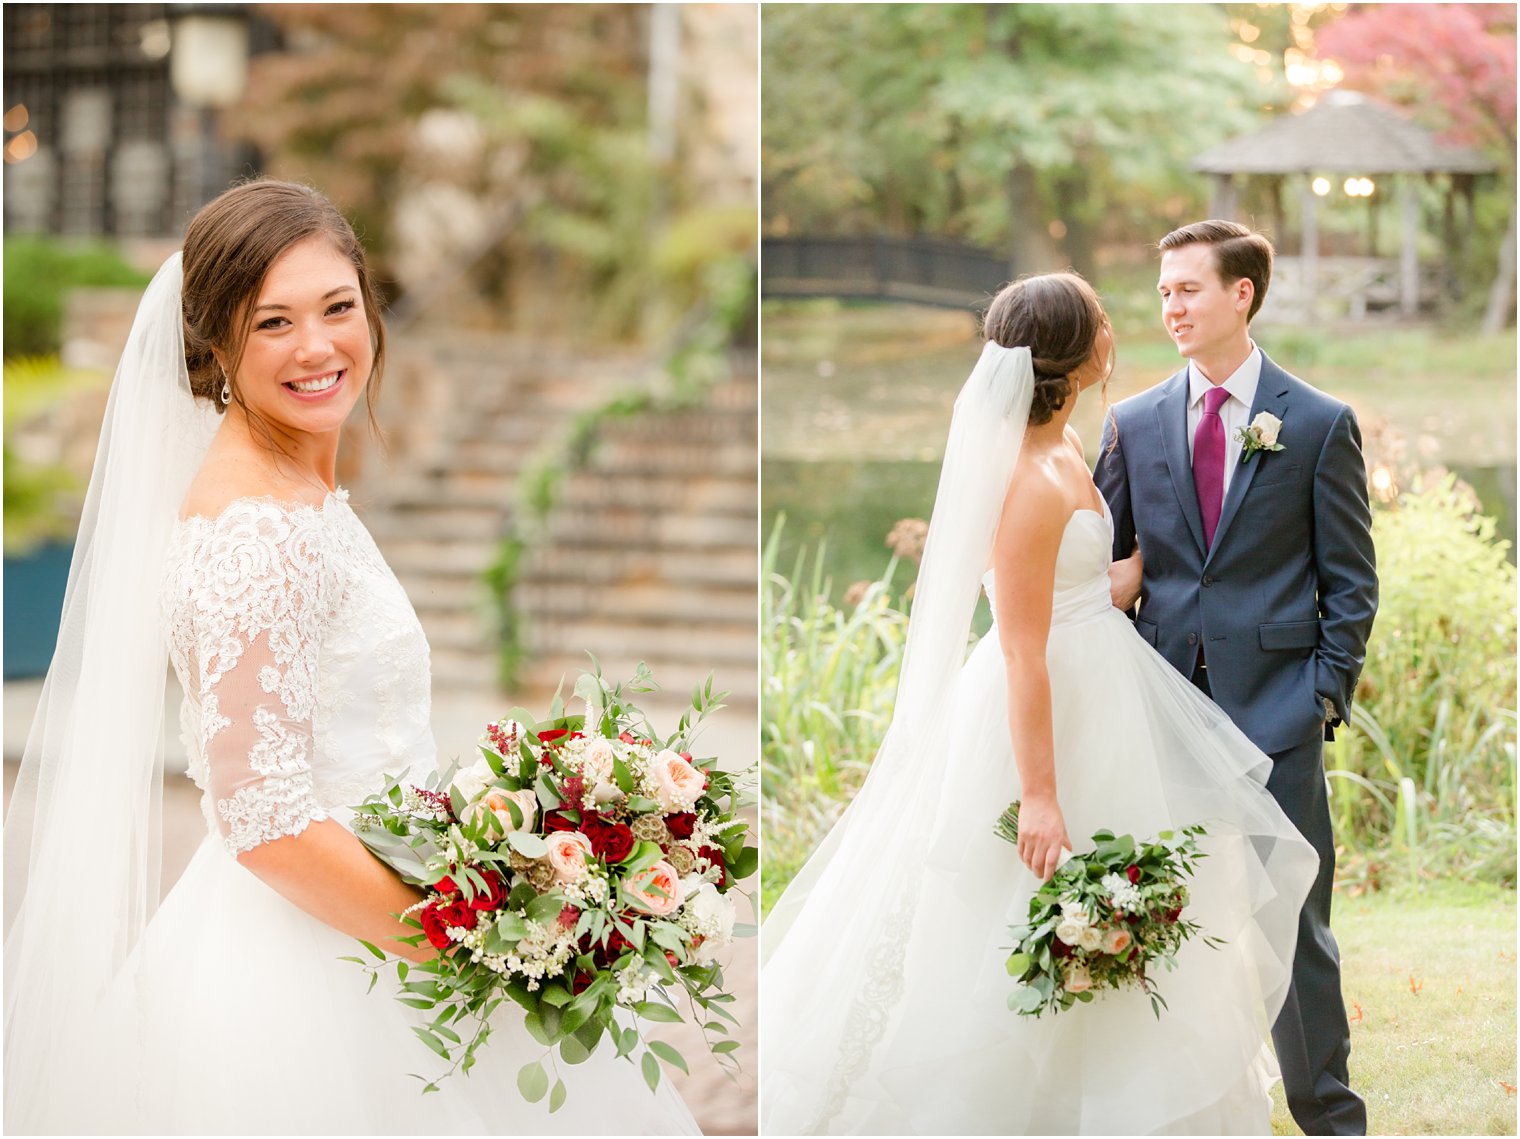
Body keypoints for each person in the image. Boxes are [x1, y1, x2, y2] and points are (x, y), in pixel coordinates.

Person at [3, 179, 701, 1135]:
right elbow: (262, 814)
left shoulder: (292, 493)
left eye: (338, 306)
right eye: (273, 323)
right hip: (321, 970)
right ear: (216, 347)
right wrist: (472, 943)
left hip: (370, 914)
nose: (320, 345)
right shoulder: (260, 531)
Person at [760, 272, 1320, 1135]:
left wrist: (1200, 570)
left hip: (1108, 691)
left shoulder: (1066, 447)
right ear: (1076, 349)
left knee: (1134, 899)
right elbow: (1022, 643)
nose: (1117, 328)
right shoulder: (1025, 474)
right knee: (1025, 910)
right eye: (1103, 318)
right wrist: (1041, 793)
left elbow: (1093, 581)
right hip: (1044, 708)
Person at [1097, 220, 1377, 1136]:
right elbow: (1110, 563)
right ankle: (1168, 1108)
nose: (1169, 306)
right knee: (1152, 914)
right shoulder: (1133, 423)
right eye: (1164, 291)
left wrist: (1321, 695)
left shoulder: (1318, 421)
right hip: (1161, 709)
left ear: (1241, 294)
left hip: (1277, 717)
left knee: (1293, 927)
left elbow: (1351, 583)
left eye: (1187, 289)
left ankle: (1328, 1112)